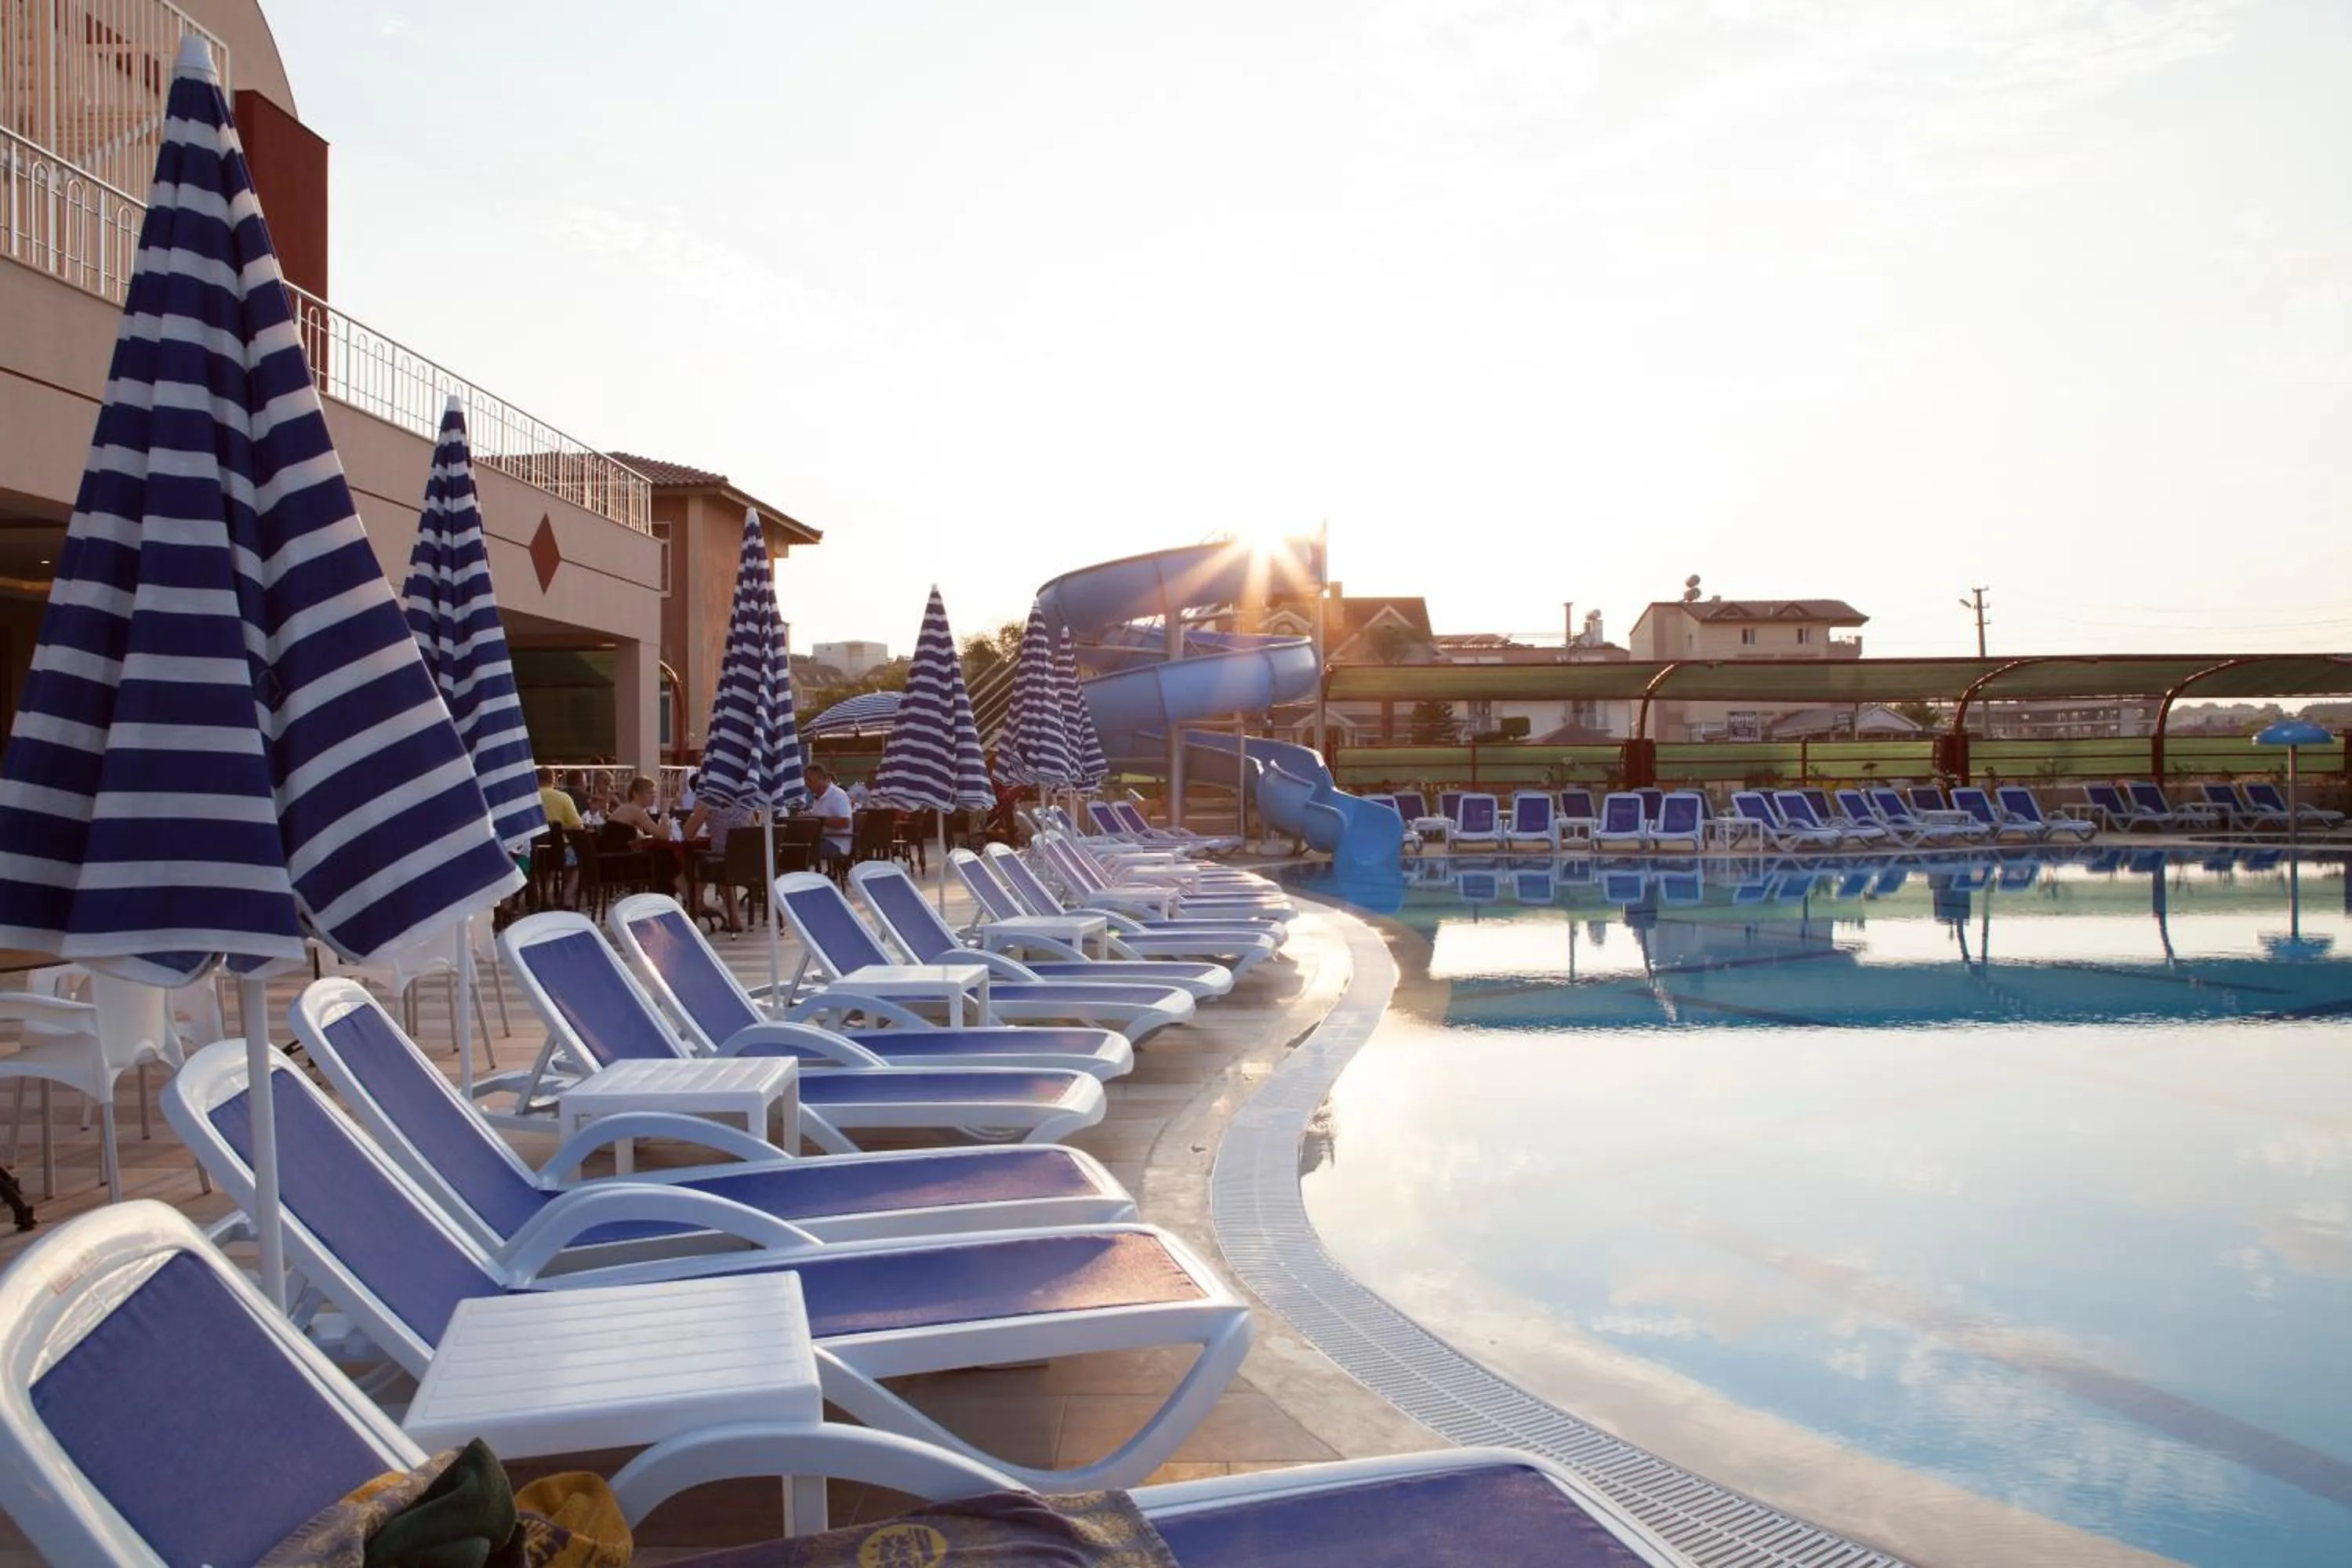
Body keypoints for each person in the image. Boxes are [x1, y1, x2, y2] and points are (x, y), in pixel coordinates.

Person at [685, 789, 758, 932]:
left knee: (701, 863)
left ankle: (693, 907)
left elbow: (688, 833)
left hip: (724, 863)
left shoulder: (710, 800)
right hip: (750, 864)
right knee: (718, 862)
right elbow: (754, 830)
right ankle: (734, 919)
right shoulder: (746, 800)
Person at [802, 764, 855, 873]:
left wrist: (818, 820)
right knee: (794, 845)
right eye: (805, 780)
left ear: (821, 779)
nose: (806, 784)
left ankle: (803, 881)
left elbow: (845, 822)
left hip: (837, 843)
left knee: (800, 850)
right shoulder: (818, 797)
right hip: (822, 839)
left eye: (809, 780)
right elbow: (817, 817)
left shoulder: (837, 795)